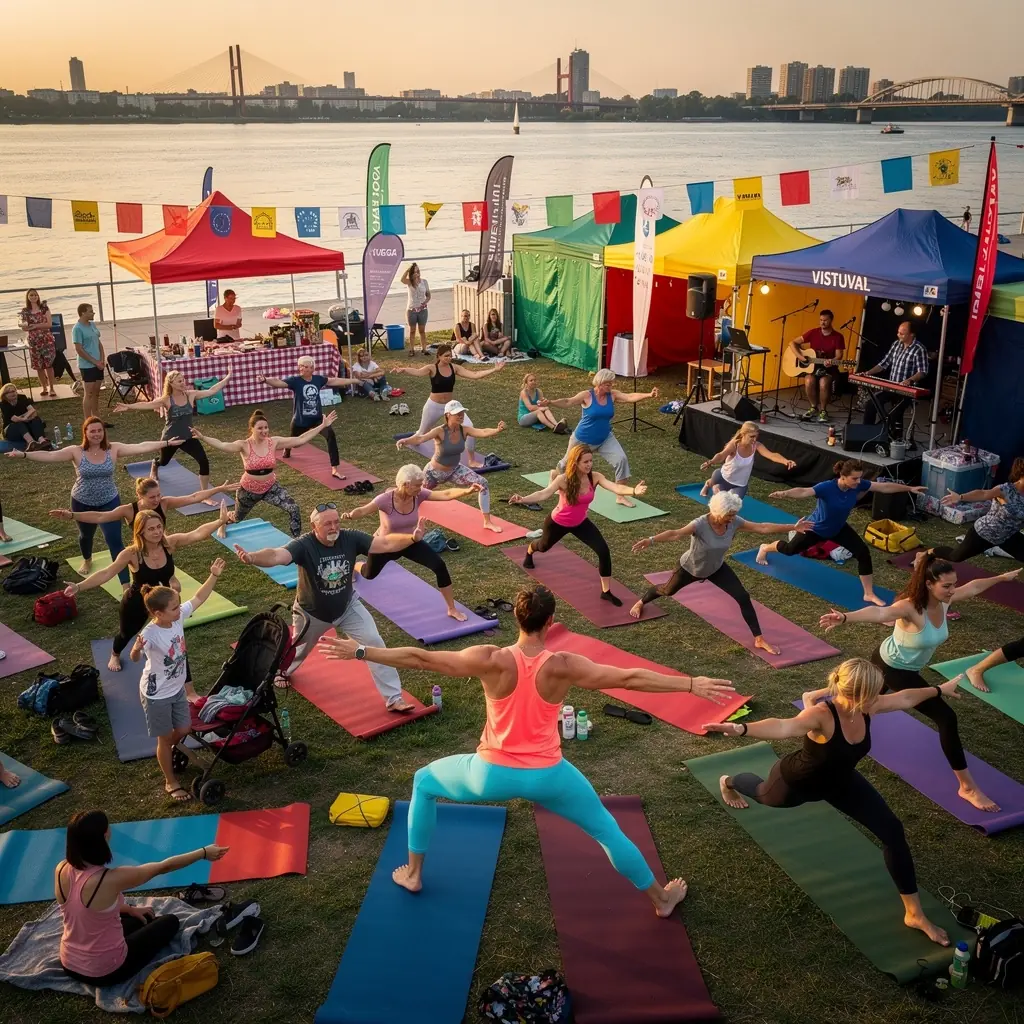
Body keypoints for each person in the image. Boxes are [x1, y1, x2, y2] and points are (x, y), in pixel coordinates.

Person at [317, 585, 736, 908]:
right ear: (550, 621)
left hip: (488, 775)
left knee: (424, 782)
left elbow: (422, 660)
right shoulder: (564, 665)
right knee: (607, 831)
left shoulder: (490, 658)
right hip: (549, 776)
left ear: (517, 618)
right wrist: (690, 683)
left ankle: (413, 873)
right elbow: (628, 679)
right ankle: (661, 900)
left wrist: (360, 649)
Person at [706, 658, 959, 947]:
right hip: (797, 781)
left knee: (893, 831)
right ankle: (728, 781)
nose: (881, 694)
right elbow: (784, 727)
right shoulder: (822, 714)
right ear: (860, 693)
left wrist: (940, 689)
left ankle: (914, 914)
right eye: (876, 690)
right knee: (764, 793)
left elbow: (906, 697)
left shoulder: (868, 706)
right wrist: (742, 729)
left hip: (841, 782)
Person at [819, 550, 1019, 813]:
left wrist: (1002, 576)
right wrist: (845, 617)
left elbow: (973, 588)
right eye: (946, 586)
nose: (952, 590)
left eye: (953, 585)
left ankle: (818, 701)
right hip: (892, 667)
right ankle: (967, 787)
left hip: (894, 665)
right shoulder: (911, 607)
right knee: (946, 717)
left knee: (860, 704)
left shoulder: (946, 599)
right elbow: (880, 614)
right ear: (928, 584)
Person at [233, 502, 424, 707]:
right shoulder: (304, 545)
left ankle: (394, 699)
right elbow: (276, 555)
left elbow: (384, 544)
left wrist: (412, 538)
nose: (334, 527)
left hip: (347, 607)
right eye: (327, 524)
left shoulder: (350, 537)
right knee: (296, 649)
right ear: (314, 527)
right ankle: (283, 670)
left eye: (336, 522)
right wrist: (252, 557)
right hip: (312, 613)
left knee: (374, 643)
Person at [56, 809, 228, 985]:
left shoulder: (61, 868)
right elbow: (163, 867)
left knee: (144, 917)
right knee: (169, 921)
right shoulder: (110, 879)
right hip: (106, 971)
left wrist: (130, 909)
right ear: (105, 835)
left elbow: (87, 907)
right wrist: (203, 853)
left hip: (68, 962)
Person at [630, 491, 813, 652]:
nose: (733, 518)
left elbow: (762, 527)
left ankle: (759, 639)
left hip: (716, 568)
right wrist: (651, 540)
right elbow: (675, 533)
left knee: (742, 596)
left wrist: (793, 527)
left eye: (734, 515)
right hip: (690, 568)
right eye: (730, 515)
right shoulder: (699, 524)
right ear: (719, 512)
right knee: (666, 591)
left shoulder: (734, 522)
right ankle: (641, 601)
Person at [7, 417, 183, 580]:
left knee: (115, 541)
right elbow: (50, 455)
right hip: (81, 500)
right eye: (92, 431)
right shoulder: (76, 451)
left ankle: (125, 584)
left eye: (100, 430)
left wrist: (166, 443)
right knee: (85, 536)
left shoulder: (113, 449)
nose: (97, 434)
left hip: (109, 500)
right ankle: (87, 559)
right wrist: (24, 454)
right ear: (85, 433)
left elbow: (141, 446)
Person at [66, 504, 229, 675]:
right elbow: (107, 573)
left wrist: (220, 521)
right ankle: (115, 653)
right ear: (140, 532)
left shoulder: (168, 544)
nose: (157, 532)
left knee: (173, 639)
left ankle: (182, 679)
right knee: (126, 633)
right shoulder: (131, 553)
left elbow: (196, 534)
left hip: (164, 600)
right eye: (151, 529)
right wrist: (79, 586)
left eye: (159, 527)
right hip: (137, 600)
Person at [755, 459, 925, 607]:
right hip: (815, 528)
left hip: (838, 528)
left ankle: (868, 593)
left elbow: (884, 487)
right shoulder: (827, 487)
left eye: (860, 478)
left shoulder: (858, 484)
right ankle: (765, 548)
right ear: (842, 477)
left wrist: (909, 488)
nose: (858, 482)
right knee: (789, 550)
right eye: (854, 478)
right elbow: (804, 491)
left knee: (863, 553)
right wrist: (785, 493)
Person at [129, 559, 226, 801]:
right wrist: (137, 649)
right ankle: (170, 781)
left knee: (183, 728)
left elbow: (199, 598)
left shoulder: (176, 617)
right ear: (157, 613)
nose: (180, 609)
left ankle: (164, 749)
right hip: (156, 694)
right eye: (174, 608)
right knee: (164, 738)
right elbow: (133, 657)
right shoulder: (150, 633)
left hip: (175, 689)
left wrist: (213, 575)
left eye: (178, 606)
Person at [342, 464, 482, 621]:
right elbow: (363, 510)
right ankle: (355, 565)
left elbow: (445, 494)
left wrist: (467, 490)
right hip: (386, 545)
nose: (420, 488)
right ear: (405, 484)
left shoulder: (419, 495)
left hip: (410, 540)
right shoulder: (385, 500)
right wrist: (351, 515)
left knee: (439, 566)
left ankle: (451, 608)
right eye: (417, 485)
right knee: (369, 574)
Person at [508, 444, 640, 606]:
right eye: (585, 462)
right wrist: (523, 499)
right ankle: (529, 550)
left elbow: (616, 487)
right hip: (558, 522)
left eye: (591, 461)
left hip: (580, 523)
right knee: (543, 547)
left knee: (603, 551)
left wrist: (634, 491)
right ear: (575, 463)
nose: (589, 464)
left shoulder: (595, 477)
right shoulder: (563, 479)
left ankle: (606, 592)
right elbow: (544, 494)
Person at [193, 409, 336, 538]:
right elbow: (222, 445)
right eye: (260, 428)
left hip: (270, 488)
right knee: (237, 518)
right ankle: (223, 520)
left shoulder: (273, 442)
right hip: (248, 490)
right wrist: (203, 437)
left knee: (294, 508)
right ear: (252, 429)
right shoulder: (244, 444)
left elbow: (300, 439)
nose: (264, 431)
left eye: (266, 428)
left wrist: (322, 426)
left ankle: (297, 542)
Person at [540, 368, 658, 507]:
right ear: (600, 383)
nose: (611, 386)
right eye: (608, 384)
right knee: (567, 464)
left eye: (611, 384)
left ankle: (620, 496)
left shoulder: (612, 395)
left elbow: (629, 397)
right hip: (582, 439)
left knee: (621, 460)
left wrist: (649, 395)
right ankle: (554, 474)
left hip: (605, 438)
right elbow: (568, 402)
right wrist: (551, 402)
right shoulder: (587, 395)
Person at [113, 370, 231, 499]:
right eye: (179, 381)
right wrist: (128, 406)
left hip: (189, 436)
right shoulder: (166, 400)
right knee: (164, 462)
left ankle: (204, 495)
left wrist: (228, 377)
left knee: (203, 461)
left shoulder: (191, 395)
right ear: (171, 384)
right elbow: (147, 404)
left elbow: (212, 390)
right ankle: (155, 463)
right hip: (171, 438)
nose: (183, 383)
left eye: (183, 380)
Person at [397, 400, 504, 533]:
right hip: (433, 473)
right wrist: (405, 441)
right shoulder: (439, 431)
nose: (461, 416)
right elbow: (420, 439)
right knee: (413, 494)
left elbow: (481, 431)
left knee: (483, 483)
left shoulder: (464, 430)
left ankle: (487, 522)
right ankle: (397, 510)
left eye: (462, 413)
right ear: (448, 415)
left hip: (455, 470)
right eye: (457, 414)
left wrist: (496, 430)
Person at [394, 343, 505, 468]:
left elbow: (474, 375)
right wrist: (404, 369)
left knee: (469, 426)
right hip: (433, 405)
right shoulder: (432, 368)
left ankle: (471, 460)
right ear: (439, 356)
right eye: (446, 356)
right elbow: (418, 372)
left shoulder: (454, 368)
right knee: (422, 432)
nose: (449, 358)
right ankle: (410, 441)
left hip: (451, 407)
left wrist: (494, 369)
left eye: (450, 356)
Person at [258, 357, 355, 479]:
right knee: (294, 442)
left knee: (330, 435)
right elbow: (279, 382)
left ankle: (335, 469)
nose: (308, 369)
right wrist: (265, 380)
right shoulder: (295, 381)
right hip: (300, 420)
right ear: (300, 368)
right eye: (305, 366)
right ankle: (287, 450)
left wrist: (353, 381)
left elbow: (334, 381)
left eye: (311, 367)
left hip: (318, 419)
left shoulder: (318, 379)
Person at [50, 474, 237, 532]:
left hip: (163, 545)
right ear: (140, 496)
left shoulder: (164, 503)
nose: (157, 500)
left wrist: (218, 489)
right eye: (152, 497)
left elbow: (194, 497)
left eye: (158, 495)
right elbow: (100, 516)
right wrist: (72, 515)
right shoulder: (128, 510)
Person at [934, 456, 1024, 564]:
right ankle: (927, 553)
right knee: (955, 557)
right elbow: (983, 493)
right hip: (986, 532)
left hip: (1008, 535)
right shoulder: (1006, 489)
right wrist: (960, 497)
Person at [861, 322, 929, 439]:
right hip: (892, 387)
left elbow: (923, 371)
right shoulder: (896, 345)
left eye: (902, 333)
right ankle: (867, 435)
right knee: (870, 404)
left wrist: (910, 380)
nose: (899, 335)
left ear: (912, 334)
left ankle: (891, 439)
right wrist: (868, 373)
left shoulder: (919, 349)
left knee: (894, 413)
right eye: (898, 332)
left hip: (907, 391)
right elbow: (884, 364)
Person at [699, 421, 795, 498]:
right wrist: (711, 462)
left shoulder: (756, 445)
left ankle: (719, 490)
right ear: (743, 434)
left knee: (732, 506)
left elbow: (771, 455)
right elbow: (721, 455)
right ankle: (707, 485)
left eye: (756, 436)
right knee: (714, 487)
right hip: (723, 477)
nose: (754, 439)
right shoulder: (734, 445)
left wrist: (785, 461)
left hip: (740, 484)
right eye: (752, 436)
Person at [788, 309, 846, 422]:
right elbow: (792, 343)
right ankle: (813, 407)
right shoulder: (813, 332)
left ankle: (823, 410)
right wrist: (800, 357)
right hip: (813, 367)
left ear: (831, 320)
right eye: (820, 320)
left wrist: (831, 361)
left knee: (823, 383)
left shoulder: (838, 336)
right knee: (809, 380)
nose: (822, 322)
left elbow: (839, 356)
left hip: (829, 368)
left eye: (825, 320)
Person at [19, 288, 57, 399]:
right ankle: (44, 387)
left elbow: (49, 324)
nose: (33, 297)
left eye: (35, 295)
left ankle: (52, 388)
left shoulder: (44, 308)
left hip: (46, 340)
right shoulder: (25, 311)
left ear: (38, 296)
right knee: (38, 366)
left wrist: (35, 326)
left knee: (48, 365)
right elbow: (24, 327)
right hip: (34, 341)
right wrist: (25, 327)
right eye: (31, 295)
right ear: (28, 297)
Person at [73, 302, 105, 421]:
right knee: (89, 393)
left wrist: (102, 359)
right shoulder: (77, 329)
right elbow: (79, 349)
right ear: (83, 313)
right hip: (87, 365)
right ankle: (88, 419)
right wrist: (95, 362)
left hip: (98, 363)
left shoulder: (92, 325)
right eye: (91, 311)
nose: (93, 313)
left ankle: (97, 418)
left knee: (96, 393)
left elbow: (98, 342)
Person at [0, 382, 49, 450]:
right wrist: (25, 418)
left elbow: (32, 410)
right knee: (19, 424)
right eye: (9, 392)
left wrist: (24, 417)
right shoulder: (3, 404)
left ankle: (42, 441)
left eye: (13, 391)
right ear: (4, 395)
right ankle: (31, 443)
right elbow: (14, 419)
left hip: (25, 425)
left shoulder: (22, 397)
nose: (13, 393)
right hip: (12, 429)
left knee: (36, 419)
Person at [401, 263, 431, 356]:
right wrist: (407, 270)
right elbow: (402, 280)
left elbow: (428, 295)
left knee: (422, 330)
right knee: (412, 330)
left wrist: (425, 302)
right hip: (412, 309)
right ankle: (411, 349)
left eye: (418, 271)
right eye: (414, 272)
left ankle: (424, 349)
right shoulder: (409, 282)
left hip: (422, 309)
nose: (417, 273)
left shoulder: (424, 282)